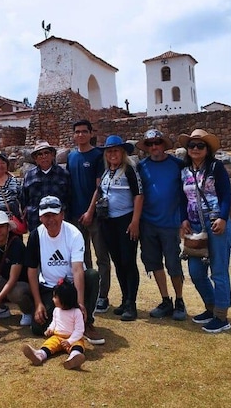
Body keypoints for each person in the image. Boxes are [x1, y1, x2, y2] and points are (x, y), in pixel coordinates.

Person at [26, 195, 104, 345]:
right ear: (40, 218)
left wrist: (80, 303)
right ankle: (66, 322)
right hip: (51, 288)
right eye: (46, 216)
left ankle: (85, 322)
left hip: (72, 286)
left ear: (62, 214)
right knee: (37, 328)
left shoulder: (74, 234)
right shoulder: (36, 235)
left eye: (54, 215)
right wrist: (38, 304)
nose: (51, 220)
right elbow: (31, 270)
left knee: (92, 275)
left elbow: (77, 270)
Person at [178, 128, 231, 333]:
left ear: (207, 148)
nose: (195, 148)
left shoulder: (215, 167)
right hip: (195, 227)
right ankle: (210, 307)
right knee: (196, 271)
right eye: (191, 145)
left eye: (200, 145)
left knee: (218, 271)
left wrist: (223, 217)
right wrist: (183, 219)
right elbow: (182, 198)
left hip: (216, 224)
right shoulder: (184, 171)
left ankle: (221, 316)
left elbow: (226, 195)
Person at [86, 134, 143, 321]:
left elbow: (139, 196)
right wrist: (90, 211)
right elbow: (100, 191)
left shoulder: (130, 170)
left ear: (123, 152)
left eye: (116, 151)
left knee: (128, 261)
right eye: (109, 151)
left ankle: (131, 304)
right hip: (108, 222)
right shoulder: (106, 171)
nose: (112, 154)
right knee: (118, 262)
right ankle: (125, 300)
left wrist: (135, 221)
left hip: (125, 221)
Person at [136, 128, 187, 321]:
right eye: (150, 144)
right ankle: (165, 300)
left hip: (170, 223)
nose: (154, 146)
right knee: (154, 262)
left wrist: (184, 219)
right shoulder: (141, 166)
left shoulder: (178, 165)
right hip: (148, 223)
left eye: (157, 142)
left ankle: (180, 300)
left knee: (173, 263)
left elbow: (185, 194)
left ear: (164, 145)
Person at [67, 119, 111, 314]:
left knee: (101, 255)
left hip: (94, 215)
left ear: (91, 133)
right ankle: (87, 294)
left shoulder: (97, 156)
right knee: (82, 258)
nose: (80, 135)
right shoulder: (71, 156)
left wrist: (90, 211)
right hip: (75, 214)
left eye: (84, 131)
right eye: (77, 132)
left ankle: (103, 296)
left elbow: (99, 186)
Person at [0, 210, 34, 326]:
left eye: (1, 227)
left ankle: (28, 311)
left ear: (8, 228)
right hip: (3, 281)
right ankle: (1, 309)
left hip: (20, 284)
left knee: (16, 291)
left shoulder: (16, 244)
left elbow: (13, 279)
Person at [21, 279, 86, 370]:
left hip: (73, 338)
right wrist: (50, 329)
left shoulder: (76, 312)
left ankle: (74, 358)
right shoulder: (56, 310)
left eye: (55, 297)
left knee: (78, 346)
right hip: (57, 337)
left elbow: (79, 330)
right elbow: (54, 322)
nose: (52, 299)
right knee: (49, 345)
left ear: (64, 299)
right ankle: (39, 356)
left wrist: (70, 341)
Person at [20, 141, 71, 232]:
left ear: (52, 155)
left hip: (58, 222)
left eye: (46, 153)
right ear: (35, 159)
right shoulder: (29, 176)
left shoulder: (63, 174)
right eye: (40, 154)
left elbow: (69, 197)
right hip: (35, 222)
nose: (43, 156)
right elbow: (24, 199)